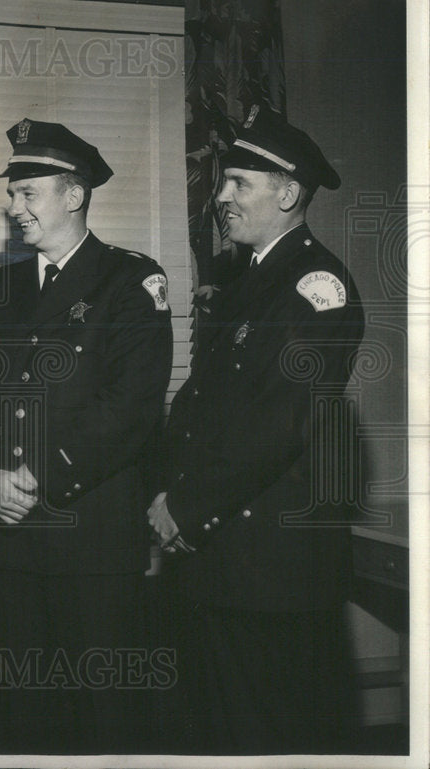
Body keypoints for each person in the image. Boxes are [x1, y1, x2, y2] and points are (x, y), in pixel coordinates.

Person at [147, 105, 365, 753]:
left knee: (270, 740)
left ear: (289, 193)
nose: (220, 196)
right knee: (223, 736)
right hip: (225, 567)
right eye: (223, 182)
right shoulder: (251, 283)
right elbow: (199, 408)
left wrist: (184, 507)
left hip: (271, 576)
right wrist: (160, 491)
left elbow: (278, 422)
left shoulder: (315, 286)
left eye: (239, 182)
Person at [0, 119, 174, 754]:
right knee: (16, 718)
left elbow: (130, 408)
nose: (15, 208)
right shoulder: (0, 288)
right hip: (3, 542)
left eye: (30, 193)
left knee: (101, 720)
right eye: (12, 195)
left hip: (89, 543)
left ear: (74, 196)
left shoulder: (131, 282)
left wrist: (37, 478)